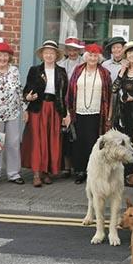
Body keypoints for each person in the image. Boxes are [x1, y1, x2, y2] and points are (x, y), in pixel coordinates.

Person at [21, 40, 69, 187]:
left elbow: (64, 94)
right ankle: (36, 173)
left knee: (51, 140)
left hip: (54, 109)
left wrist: (66, 114)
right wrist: (27, 99)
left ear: (56, 55)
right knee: (37, 140)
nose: (49, 55)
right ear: (42, 55)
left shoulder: (61, 72)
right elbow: (26, 91)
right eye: (46, 53)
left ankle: (46, 172)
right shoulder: (34, 70)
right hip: (38, 108)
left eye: (52, 53)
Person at [66, 44, 112, 184]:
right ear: (85, 57)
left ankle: (93, 172)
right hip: (78, 111)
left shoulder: (104, 73)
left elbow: (110, 96)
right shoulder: (78, 70)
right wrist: (68, 113)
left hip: (97, 113)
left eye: (95, 56)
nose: (92, 58)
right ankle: (80, 171)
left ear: (99, 58)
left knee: (93, 143)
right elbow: (70, 92)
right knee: (79, 143)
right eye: (90, 55)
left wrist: (109, 116)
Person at [0, 43, 26, 187]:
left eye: (5, 55)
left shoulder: (14, 71)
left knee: (13, 144)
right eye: (0, 55)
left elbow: (19, 91)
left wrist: (24, 108)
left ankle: (14, 174)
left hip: (12, 113)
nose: (2, 58)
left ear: (9, 57)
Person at [58, 36, 84, 178]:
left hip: (81, 101)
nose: (72, 52)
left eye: (75, 50)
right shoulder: (62, 65)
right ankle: (67, 166)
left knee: (78, 134)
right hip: (65, 102)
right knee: (66, 135)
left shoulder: (84, 63)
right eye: (70, 50)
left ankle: (77, 165)